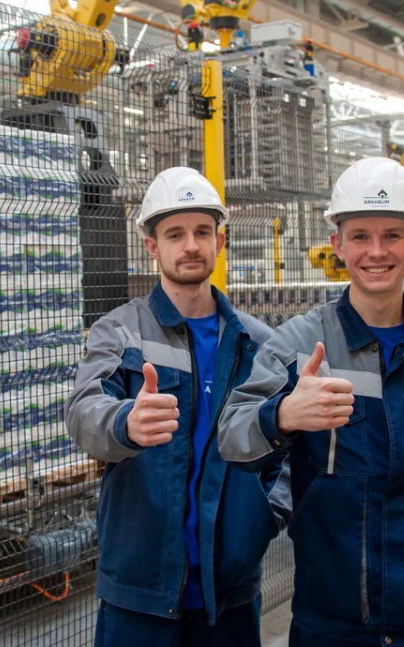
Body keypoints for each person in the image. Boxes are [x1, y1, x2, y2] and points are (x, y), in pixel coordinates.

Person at [218, 156, 404, 647]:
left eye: (392, 235)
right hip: (335, 625)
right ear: (338, 245)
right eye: (360, 236)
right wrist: (281, 415)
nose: (376, 252)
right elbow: (231, 437)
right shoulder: (298, 346)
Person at [66, 166, 287, 647]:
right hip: (139, 588)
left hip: (229, 589)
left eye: (202, 232)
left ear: (220, 242)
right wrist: (124, 422)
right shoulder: (120, 331)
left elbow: (286, 445)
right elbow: (83, 412)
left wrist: (266, 513)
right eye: (175, 234)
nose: (190, 245)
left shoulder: (257, 343)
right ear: (152, 246)